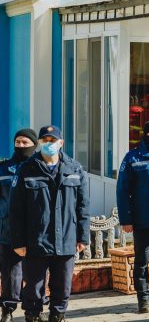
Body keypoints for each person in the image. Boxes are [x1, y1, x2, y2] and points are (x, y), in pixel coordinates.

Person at [10, 125, 89, 322]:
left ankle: (58, 316)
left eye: (52, 141)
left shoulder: (75, 169)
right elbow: (16, 210)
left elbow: (83, 207)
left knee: (62, 287)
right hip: (36, 240)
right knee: (34, 289)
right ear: (39, 144)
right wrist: (18, 241)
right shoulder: (26, 169)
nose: (48, 144)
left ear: (61, 143)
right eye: (45, 141)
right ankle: (33, 316)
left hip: (66, 239)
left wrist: (83, 236)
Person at [116, 119, 149, 314]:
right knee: (141, 262)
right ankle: (143, 300)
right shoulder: (133, 157)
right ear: (145, 134)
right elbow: (123, 190)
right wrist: (126, 219)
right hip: (142, 220)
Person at [0, 129, 37, 322]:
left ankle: (33, 309)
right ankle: (8, 308)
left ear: (34, 144)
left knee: (35, 272)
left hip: (35, 231)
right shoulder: (4, 168)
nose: (21, 146)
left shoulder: (38, 167)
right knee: (10, 273)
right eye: (18, 142)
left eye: (25, 142)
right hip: (8, 230)